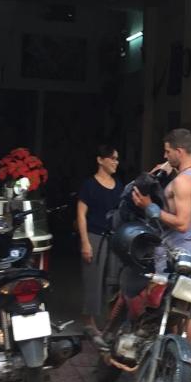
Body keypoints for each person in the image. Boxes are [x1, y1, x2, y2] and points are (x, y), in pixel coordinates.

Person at [132, 128, 191, 382]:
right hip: (189, 249)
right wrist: (161, 175)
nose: (165, 155)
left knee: (171, 311)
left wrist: (149, 208)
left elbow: (182, 221)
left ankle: (171, 365)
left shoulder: (183, 182)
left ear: (179, 151)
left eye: (167, 151)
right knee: (183, 315)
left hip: (174, 252)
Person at [76, 144, 122, 340]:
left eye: (117, 159)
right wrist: (85, 242)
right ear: (100, 160)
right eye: (112, 158)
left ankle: (110, 323)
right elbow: (81, 214)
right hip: (95, 236)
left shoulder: (118, 185)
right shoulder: (89, 185)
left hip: (114, 238)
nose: (115, 162)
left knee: (113, 281)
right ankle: (89, 322)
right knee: (93, 280)